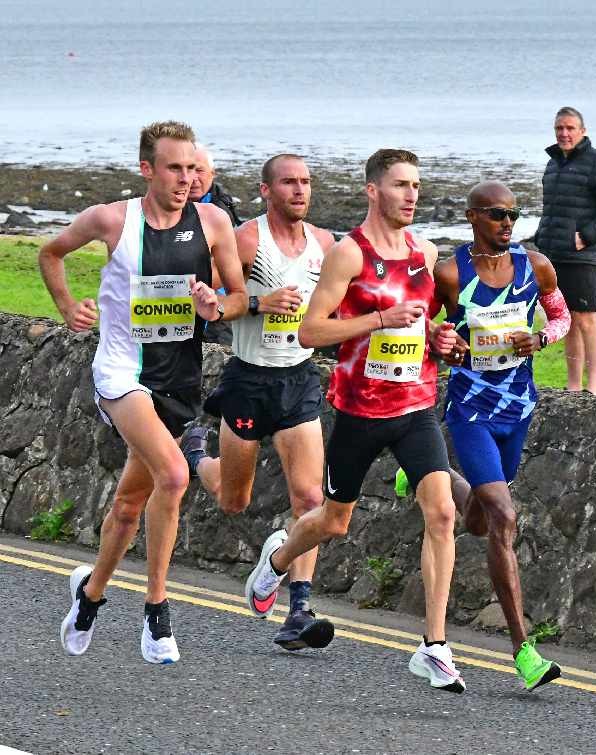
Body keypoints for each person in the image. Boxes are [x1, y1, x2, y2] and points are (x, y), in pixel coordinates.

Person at [242, 149, 466, 691]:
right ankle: (277, 561)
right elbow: (310, 331)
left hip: (415, 407)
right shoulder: (348, 254)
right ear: (372, 191)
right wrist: (379, 318)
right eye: (400, 185)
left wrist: (440, 340)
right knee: (334, 521)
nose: (411, 195)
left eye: (416, 186)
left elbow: (423, 325)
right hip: (360, 411)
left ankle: (434, 646)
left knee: (441, 512)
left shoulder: (425, 253)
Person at [38, 120, 247, 663]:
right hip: (121, 374)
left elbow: (239, 295)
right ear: (147, 169)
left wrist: (216, 306)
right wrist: (68, 307)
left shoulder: (213, 221)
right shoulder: (112, 219)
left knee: (130, 505)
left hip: (178, 381)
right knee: (174, 475)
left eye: (193, 168)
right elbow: (51, 253)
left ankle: (90, 595)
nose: (186, 179)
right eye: (174, 168)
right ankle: (157, 612)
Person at [181, 154, 337, 650]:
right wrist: (255, 303)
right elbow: (212, 301)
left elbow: (344, 304)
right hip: (249, 380)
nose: (300, 190)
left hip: (299, 379)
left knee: (309, 500)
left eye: (306, 182)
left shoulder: (326, 244)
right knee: (235, 500)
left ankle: (299, 609)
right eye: (289, 182)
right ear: (266, 190)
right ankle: (196, 457)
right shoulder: (247, 239)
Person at [432, 180, 571, 690]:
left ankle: (435, 475)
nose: (507, 222)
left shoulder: (536, 266)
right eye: (496, 214)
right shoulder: (450, 273)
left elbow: (562, 317)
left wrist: (540, 338)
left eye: (513, 213)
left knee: (477, 520)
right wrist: (444, 343)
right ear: (472, 217)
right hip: (471, 410)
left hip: (518, 407)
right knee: (504, 517)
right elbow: (425, 329)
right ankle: (523, 651)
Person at [534, 106, 596, 396]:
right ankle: (574, 387)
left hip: (584, 258)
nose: (564, 133)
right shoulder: (553, 164)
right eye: (559, 128)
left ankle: (594, 388)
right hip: (554, 255)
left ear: (582, 131)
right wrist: (541, 239)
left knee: (586, 320)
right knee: (567, 321)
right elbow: (552, 210)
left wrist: (586, 236)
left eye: (570, 128)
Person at [190, 143, 239, 345]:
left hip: (216, 304)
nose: (193, 178)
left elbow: (217, 269)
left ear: (212, 173)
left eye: (199, 170)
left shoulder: (219, 210)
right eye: (188, 169)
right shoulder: (166, 204)